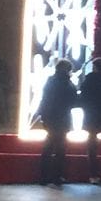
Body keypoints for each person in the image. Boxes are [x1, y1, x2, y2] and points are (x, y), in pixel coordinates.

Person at [33, 58, 78, 187]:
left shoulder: (50, 81)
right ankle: (57, 176)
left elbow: (45, 99)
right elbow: (73, 100)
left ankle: (43, 176)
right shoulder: (67, 83)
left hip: (50, 117)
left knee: (48, 146)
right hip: (62, 118)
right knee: (60, 148)